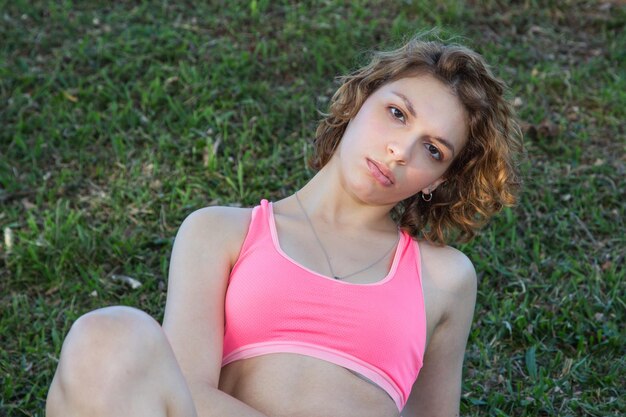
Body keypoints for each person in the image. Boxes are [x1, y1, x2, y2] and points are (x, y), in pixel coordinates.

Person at [46, 36, 523, 417]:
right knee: (108, 334)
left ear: (437, 181)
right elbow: (184, 392)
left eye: (433, 150)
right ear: (359, 102)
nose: (401, 150)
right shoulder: (220, 233)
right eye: (396, 113)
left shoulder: (443, 278)